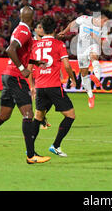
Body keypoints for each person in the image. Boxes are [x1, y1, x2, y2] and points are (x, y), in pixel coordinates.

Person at [0, 6, 51, 164]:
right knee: (28, 114)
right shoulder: (24, 31)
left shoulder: (19, 29)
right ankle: (31, 155)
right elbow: (10, 50)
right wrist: (23, 69)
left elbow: (19, 53)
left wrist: (35, 62)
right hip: (15, 77)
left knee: (3, 116)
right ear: (32, 17)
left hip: (8, 75)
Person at [30, 16, 77, 157]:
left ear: (42, 29)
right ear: (55, 29)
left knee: (38, 118)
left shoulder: (35, 45)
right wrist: (73, 79)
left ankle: (30, 150)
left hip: (40, 86)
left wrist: (32, 86)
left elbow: (29, 67)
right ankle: (55, 145)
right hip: (54, 86)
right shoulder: (59, 44)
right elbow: (67, 65)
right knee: (70, 116)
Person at [58, 14, 108, 109]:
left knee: (94, 56)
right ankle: (90, 95)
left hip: (93, 45)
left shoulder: (104, 29)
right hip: (81, 49)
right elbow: (72, 24)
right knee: (84, 73)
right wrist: (64, 32)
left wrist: (96, 37)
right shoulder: (84, 19)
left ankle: (97, 78)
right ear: (99, 19)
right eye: (104, 21)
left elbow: (104, 43)